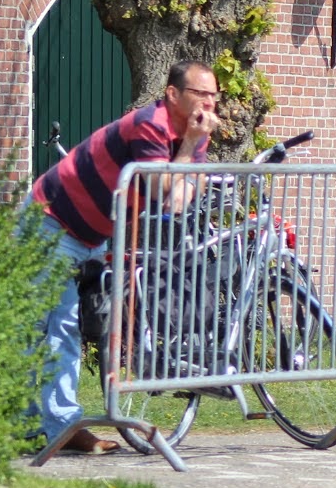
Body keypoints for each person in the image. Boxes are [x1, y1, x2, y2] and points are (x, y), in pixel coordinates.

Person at [28, 61, 221, 453]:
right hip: (51, 222)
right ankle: (47, 426)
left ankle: (53, 427)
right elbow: (159, 187)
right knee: (45, 326)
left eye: (214, 95)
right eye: (200, 94)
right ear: (172, 94)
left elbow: (175, 200)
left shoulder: (195, 133)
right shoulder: (149, 124)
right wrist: (186, 153)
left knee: (69, 327)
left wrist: (189, 160)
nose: (209, 102)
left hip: (93, 234)